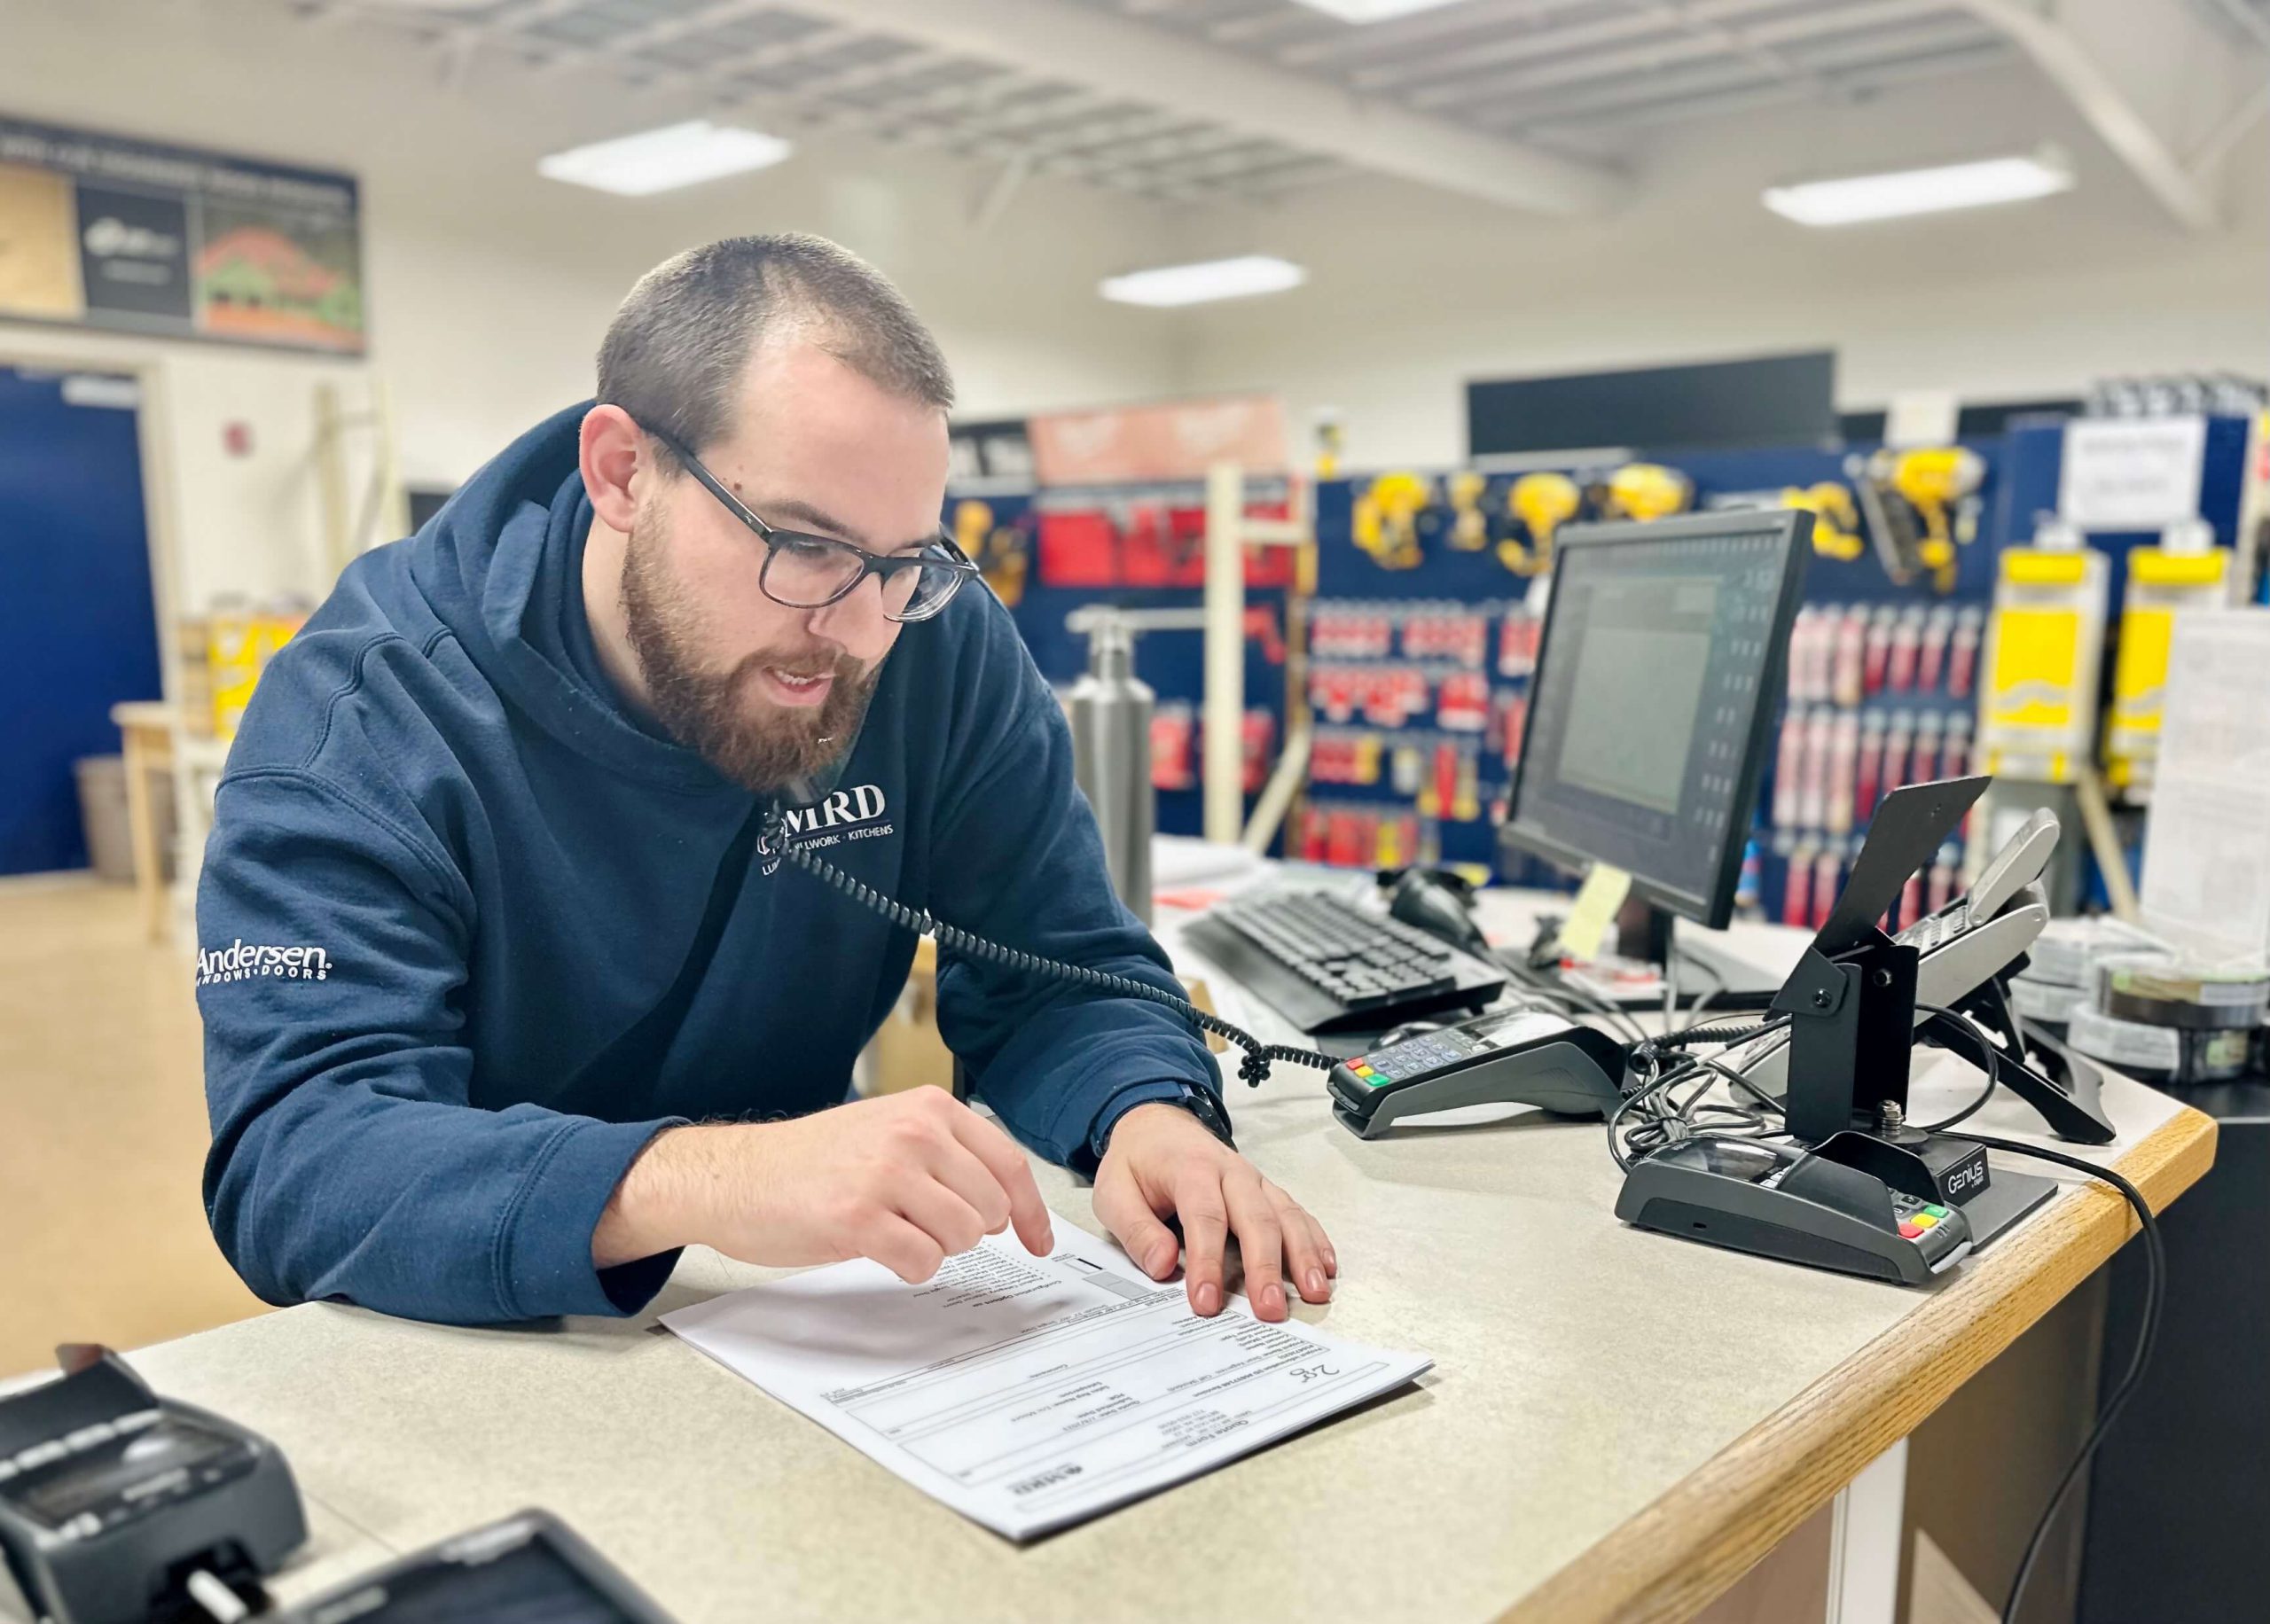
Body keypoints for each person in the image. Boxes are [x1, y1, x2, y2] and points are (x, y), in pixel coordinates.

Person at [196, 233, 1336, 1328]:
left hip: (808, 1319)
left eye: (904, 560)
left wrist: (1146, 1108)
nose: (857, 630)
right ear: (623, 472)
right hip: (485, 1331)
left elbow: (1058, 963)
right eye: (804, 545)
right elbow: (299, 1157)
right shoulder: (367, 719)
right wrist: (713, 1179)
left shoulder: (924, 636)